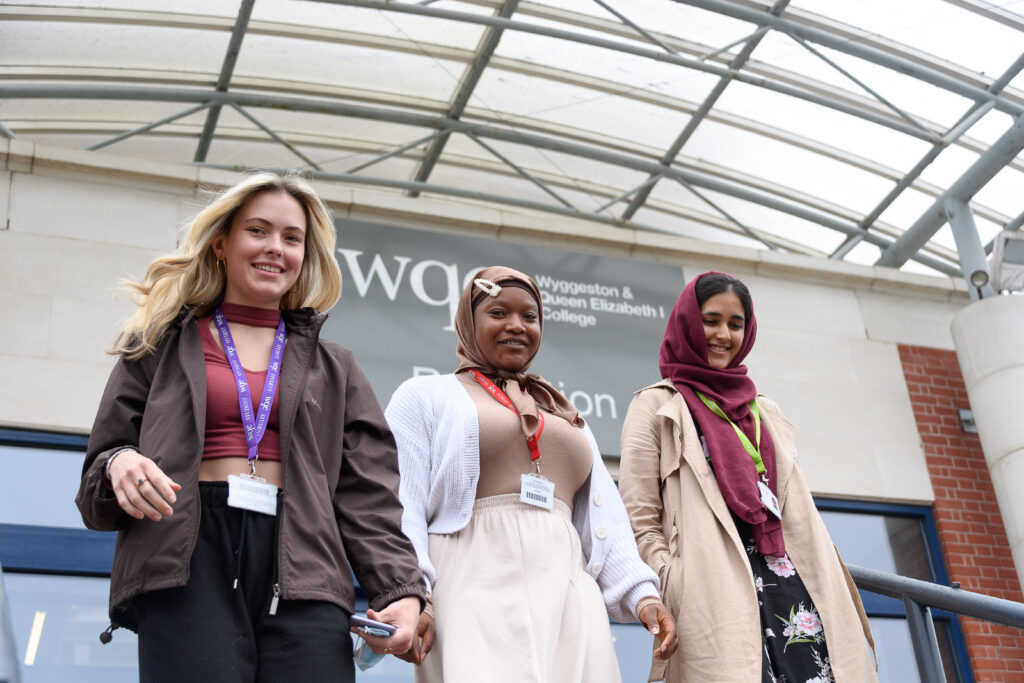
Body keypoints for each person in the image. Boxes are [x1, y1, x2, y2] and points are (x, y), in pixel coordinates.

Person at [75, 172, 425, 683]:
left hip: (304, 562)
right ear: (221, 243)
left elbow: (368, 496)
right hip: (187, 555)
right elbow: (95, 483)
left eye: (292, 237)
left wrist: (400, 589)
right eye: (257, 231)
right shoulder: (157, 345)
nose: (275, 249)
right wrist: (120, 463)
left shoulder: (338, 367)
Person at [384, 266, 678, 683]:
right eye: (499, 313)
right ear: (469, 321)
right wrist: (413, 593)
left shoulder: (563, 412)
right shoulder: (425, 396)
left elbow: (605, 521)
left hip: (568, 596)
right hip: (469, 586)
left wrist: (643, 596)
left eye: (530, 317)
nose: (517, 326)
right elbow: (402, 507)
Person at [618, 271, 877, 682]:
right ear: (687, 322)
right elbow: (639, 517)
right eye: (711, 320)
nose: (723, 334)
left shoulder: (765, 409)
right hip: (713, 588)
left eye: (735, 324)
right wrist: (674, 578)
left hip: (793, 584)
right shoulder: (655, 405)